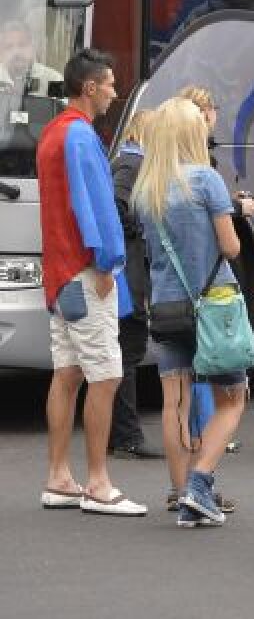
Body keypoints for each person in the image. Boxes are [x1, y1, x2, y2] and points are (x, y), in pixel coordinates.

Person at [36, 47, 146, 515]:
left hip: (60, 274)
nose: (114, 93)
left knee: (67, 374)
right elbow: (96, 206)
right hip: (86, 271)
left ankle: (59, 477)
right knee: (106, 374)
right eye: (110, 84)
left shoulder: (52, 132)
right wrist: (107, 263)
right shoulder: (81, 136)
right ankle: (99, 484)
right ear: (90, 87)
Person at [134, 97, 250, 526]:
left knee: (175, 403)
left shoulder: (147, 189)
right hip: (213, 303)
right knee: (233, 398)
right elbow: (231, 247)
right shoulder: (206, 180)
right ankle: (200, 484)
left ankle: (181, 491)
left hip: (166, 305)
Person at [180, 85, 254, 453]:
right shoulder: (203, 169)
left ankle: (193, 443)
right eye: (211, 110)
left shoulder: (163, 169)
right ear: (203, 115)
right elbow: (228, 243)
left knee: (179, 384)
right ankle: (208, 441)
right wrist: (237, 209)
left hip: (173, 287)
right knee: (218, 366)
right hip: (209, 283)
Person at [107, 109, 163, 460]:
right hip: (131, 274)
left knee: (124, 353)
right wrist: (140, 229)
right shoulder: (133, 163)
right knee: (127, 351)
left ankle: (120, 433)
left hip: (127, 272)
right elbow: (116, 205)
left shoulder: (126, 160)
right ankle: (126, 435)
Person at [0, 18, 63, 96]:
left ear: (32, 47)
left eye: (22, 45)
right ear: (1, 52)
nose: (16, 52)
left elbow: (60, 103)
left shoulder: (53, 79)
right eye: (9, 47)